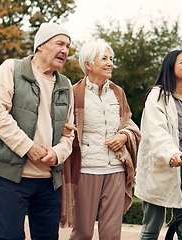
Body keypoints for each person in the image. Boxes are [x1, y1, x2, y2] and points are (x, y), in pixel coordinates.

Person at [0, 22, 74, 240]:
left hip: (49, 180)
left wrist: (57, 154)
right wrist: (27, 147)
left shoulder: (66, 85)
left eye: (68, 46)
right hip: (12, 175)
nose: (65, 50)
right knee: (9, 236)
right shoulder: (11, 68)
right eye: (60, 43)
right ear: (40, 46)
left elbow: (70, 132)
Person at [59, 39, 141, 240]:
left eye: (111, 59)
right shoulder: (74, 93)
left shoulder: (118, 92)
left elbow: (129, 124)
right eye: (104, 58)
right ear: (88, 64)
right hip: (86, 170)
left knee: (112, 235)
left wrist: (124, 135)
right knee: (83, 233)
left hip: (116, 170)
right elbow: (62, 127)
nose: (110, 63)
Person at [135, 50, 182, 240]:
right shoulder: (157, 96)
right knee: (152, 226)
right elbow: (156, 131)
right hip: (162, 167)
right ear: (170, 66)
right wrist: (172, 154)